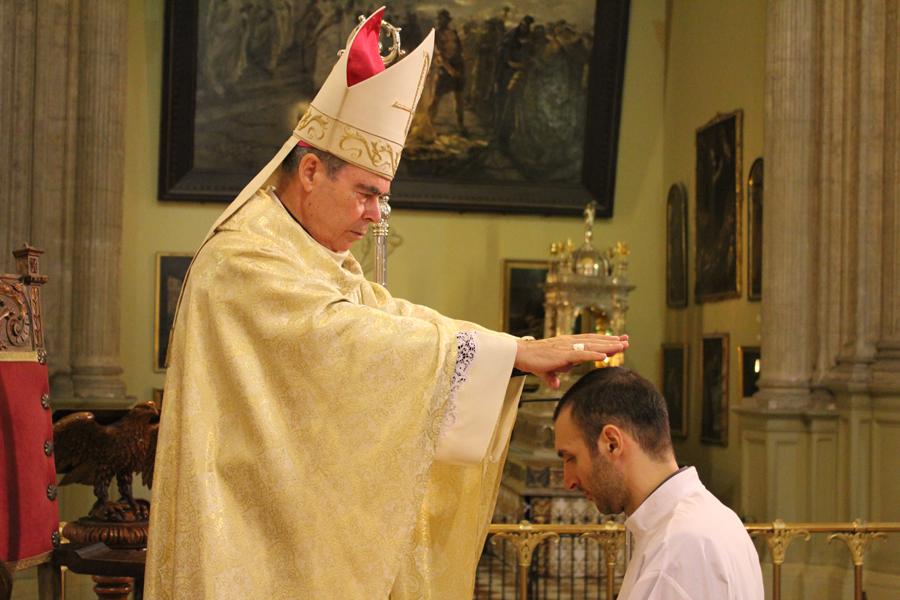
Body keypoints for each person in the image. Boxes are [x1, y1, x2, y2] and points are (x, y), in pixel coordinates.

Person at [145, 8, 628, 600]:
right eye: (366, 194)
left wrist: (512, 351)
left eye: (382, 199)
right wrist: (508, 355)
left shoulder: (312, 255)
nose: (376, 216)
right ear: (311, 170)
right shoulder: (243, 259)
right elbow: (342, 335)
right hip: (246, 537)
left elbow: (388, 318)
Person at [553, 367, 763, 599]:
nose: (568, 481)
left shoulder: (679, 548)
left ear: (612, 443)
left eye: (571, 458)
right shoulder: (713, 518)